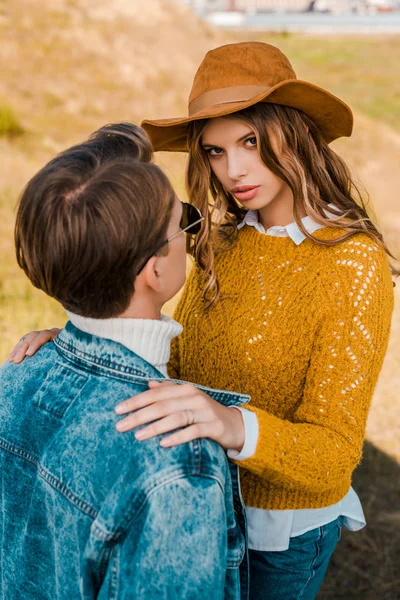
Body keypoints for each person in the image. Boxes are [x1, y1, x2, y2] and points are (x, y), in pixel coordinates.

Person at [10, 42, 396, 599]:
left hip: (277, 535)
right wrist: (85, 341)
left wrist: (229, 424)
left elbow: (334, 457)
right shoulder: (218, 239)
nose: (233, 170)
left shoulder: (351, 263)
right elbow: (137, 301)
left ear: (296, 134)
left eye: (251, 142)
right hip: (197, 504)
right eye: (214, 152)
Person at [1, 123, 249, 599]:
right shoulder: (177, 458)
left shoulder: (16, 374)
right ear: (155, 269)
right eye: (186, 223)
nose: (193, 236)